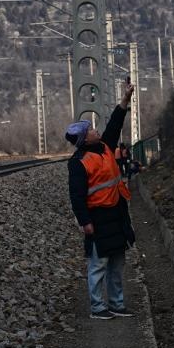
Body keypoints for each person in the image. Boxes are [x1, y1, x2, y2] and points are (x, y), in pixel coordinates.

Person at [66, 77, 136, 320]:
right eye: (92, 130)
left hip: (116, 213)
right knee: (98, 266)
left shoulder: (106, 146)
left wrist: (125, 100)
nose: (97, 130)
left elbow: (116, 123)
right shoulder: (78, 163)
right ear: (85, 139)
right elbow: (76, 196)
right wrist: (84, 221)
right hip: (97, 217)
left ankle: (117, 303)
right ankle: (98, 308)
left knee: (117, 262)